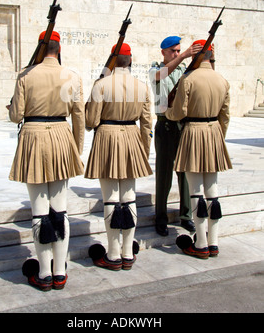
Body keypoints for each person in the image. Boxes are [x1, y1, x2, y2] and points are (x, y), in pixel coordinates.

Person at [7, 31, 85, 290]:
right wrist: (76, 149)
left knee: (40, 210)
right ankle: (60, 271)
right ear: (59, 48)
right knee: (60, 209)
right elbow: (79, 117)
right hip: (62, 138)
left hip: (34, 138)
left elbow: (16, 116)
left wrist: (11, 109)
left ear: (40, 49)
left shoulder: (26, 75)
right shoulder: (73, 76)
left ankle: (43, 273)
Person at [85, 43, 153, 271]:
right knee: (129, 197)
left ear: (113, 61)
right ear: (130, 61)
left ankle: (113, 255)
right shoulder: (142, 87)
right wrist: (143, 151)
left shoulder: (101, 85)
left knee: (111, 199)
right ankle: (127, 253)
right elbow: (146, 124)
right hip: (132, 138)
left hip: (107, 137)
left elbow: (91, 122)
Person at [165, 39, 232, 259]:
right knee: (212, 192)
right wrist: (218, 136)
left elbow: (179, 112)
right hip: (213, 132)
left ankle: (201, 243)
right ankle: (213, 242)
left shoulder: (189, 79)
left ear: (195, 56)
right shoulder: (222, 80)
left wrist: (167, 113)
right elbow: (225, 115)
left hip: (193, 131)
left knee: (196, 191)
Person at [149, 36, 202, 236]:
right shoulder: (154, 69)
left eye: (179, 51)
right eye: (174, 51)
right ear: (163, 52)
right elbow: (161, 75)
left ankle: (186, 215)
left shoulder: (184, 71)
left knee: (185, 174)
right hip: (164, 126)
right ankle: (160, 217)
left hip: (182, 126)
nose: (177, 54)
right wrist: (185, 57)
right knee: (164, 175)